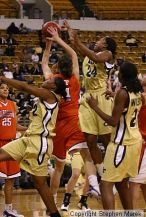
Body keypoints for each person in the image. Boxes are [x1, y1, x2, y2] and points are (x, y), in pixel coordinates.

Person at [42, 26, 100, 207]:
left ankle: (51, 202)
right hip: (75, 121)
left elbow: (43, 63)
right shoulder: (75, 78)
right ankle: (95, 185)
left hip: (58, 126)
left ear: (58, 66)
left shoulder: (53, 80)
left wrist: (48, 46)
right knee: (87, 156)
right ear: (70, 67)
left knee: (58, 169)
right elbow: (74, 55)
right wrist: (58, 39)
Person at [0, 73, 67, 217]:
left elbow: (24, 86)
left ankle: (56, 216)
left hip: (39, 143)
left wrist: (4, 79)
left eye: (50, 80)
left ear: (54, 87)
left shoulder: (51, 95)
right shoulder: (48, 95)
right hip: (28, 139)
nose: (46, 80)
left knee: (39, 183)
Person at [86, 61, 143, 214]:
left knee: (105, 185)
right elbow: (127, 106)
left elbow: (113, 121)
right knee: (122, 183)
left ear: (123, 75)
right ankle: (130, 216)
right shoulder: (136, 91)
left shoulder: (123, 93)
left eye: (119, 72)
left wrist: (94, 106)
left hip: (121, 145)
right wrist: (114, 95)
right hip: (135, 142)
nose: (117, 73)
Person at [64, 20, 117, 167]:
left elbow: (96, 58)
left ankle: (114, 169)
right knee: (90, 139)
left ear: (105, 44)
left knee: (106, 138)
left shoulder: (108, 54)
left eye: (100, 40)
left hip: (102, 96)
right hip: (87, 96)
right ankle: (101, 173)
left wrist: (77, 39)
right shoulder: (90, 53)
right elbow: (76, 46)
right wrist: (70, 33)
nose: (96, 42)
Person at [0, 82, 27, 217]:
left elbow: (15, 125)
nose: (5, 90)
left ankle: (7, 210)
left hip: (11, 144)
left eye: (7, 88)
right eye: (2, 88)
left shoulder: (12, 104)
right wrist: (1, 117)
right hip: (0, 143)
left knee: (10, 179)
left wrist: (29, 129)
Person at [129, 77, 146, 209]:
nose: (142, 76)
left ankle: (131, 216)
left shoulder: (142, 97)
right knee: (144, 183)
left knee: (134, 182)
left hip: (142, 145)